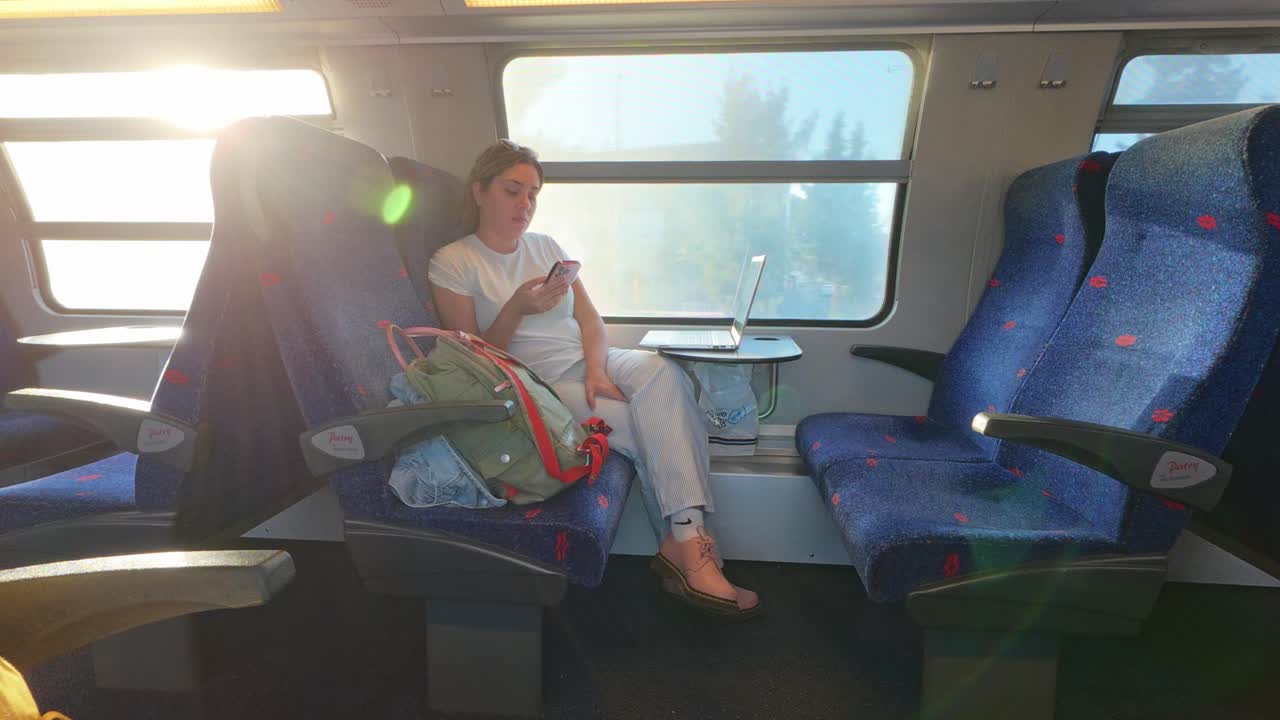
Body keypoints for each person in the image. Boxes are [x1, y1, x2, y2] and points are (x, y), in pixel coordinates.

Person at [427, 139, 760, 619]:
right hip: (532, 383)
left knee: (661, 373)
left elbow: (590, 321)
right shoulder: (454, 261)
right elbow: (474, 359)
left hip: (585, 362)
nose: (525, 205)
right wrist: (516, 310)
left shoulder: (546, 248)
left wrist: (599, 370)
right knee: (642, 424)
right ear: (480, 192)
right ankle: (689, 544)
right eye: (512, 191)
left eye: (533, 194)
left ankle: (682, 544)